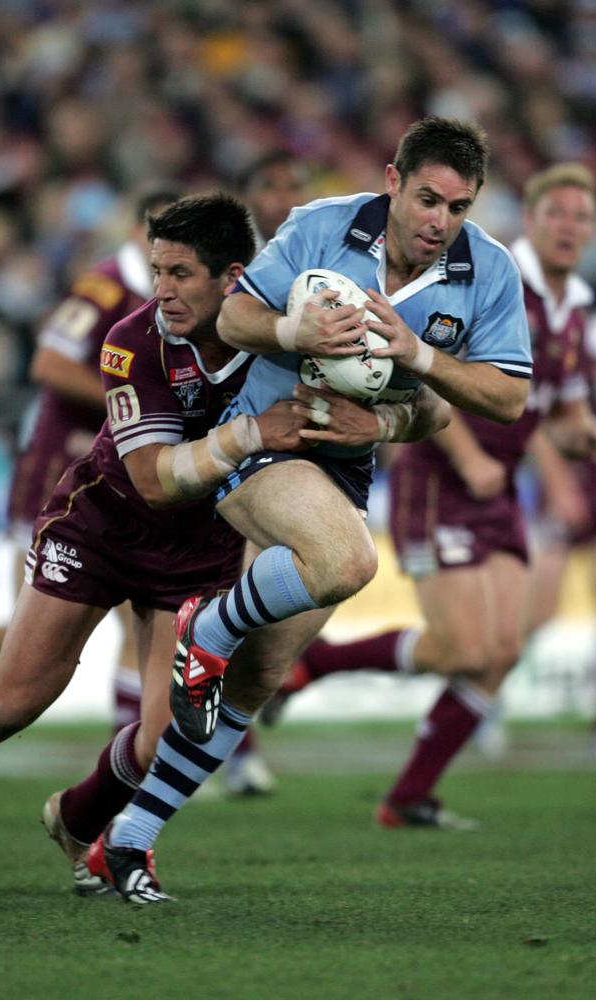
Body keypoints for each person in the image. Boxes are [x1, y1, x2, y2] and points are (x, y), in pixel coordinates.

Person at [86, 115, 535, 902]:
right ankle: (211, 625)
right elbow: (234, 318)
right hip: (267, 443)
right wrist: (294, 328)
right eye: (427, 199)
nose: (439, 221)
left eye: (458, 208)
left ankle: (127, 841)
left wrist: (405, 386)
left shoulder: (487, 273)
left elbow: (502, 395)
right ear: (393, 182)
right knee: (347, 562)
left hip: (346, 470)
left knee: (255, 683)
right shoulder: (319, 226)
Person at [0, 193, 426, 900]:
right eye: (157, 271)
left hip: (200, 551)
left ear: (233, 278)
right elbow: (155, 483)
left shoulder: (288, 336)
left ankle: (77, 818)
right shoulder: (132, 338)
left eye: (181, 274)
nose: (162, 291)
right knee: (12, 700)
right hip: (102, 527)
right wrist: (252, 435)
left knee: (163, 742)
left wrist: (383, 417)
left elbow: (424, 403)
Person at [271, 162, 596, 829]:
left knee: (501, 652)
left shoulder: (572, 307)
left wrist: (590, 440)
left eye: (583, 217)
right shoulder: (491, 279)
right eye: (558, 214)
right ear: (532, 221)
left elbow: (557, 412)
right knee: (464, 647)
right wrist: (471, 457)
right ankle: (315, 662)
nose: (572, 228)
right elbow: (426, 378)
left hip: (497, 489)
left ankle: (409, 797)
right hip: (443, 477)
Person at [0, 185, 182, 733]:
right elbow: (49, 362)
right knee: (33, 647)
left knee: (143, 614)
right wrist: (136, 399)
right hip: (62, 468)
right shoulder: (107, 286)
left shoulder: (175, 296)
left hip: (120, 468)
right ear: (140, 233)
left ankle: (131, 766)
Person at [224, 149, 313, 795]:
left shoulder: (321, 261)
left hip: (295, 445)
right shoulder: (236, 271)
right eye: (270, 182)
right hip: (228, 443)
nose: (284, 194)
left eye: (294, 184)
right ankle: (235, 748)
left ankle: (244, 728)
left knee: (287, 591)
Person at [522, 257, 596, 754]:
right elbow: (542, 416)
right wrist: (560, 480)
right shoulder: (585, 347)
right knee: (539, 609)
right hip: (571, 489)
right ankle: (483, 701)